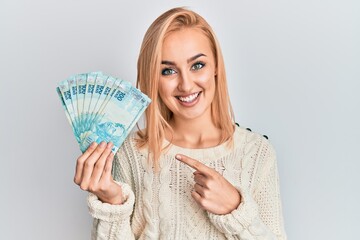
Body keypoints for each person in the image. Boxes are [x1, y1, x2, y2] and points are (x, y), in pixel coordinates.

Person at [74, 7, 287, 240]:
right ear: (153, 79)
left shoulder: (257, 153)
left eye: (197, 65)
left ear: (216, 66)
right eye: (168, 71)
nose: (186, 85)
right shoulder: (130, 154)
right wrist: (112, 203)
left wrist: (235, 209)